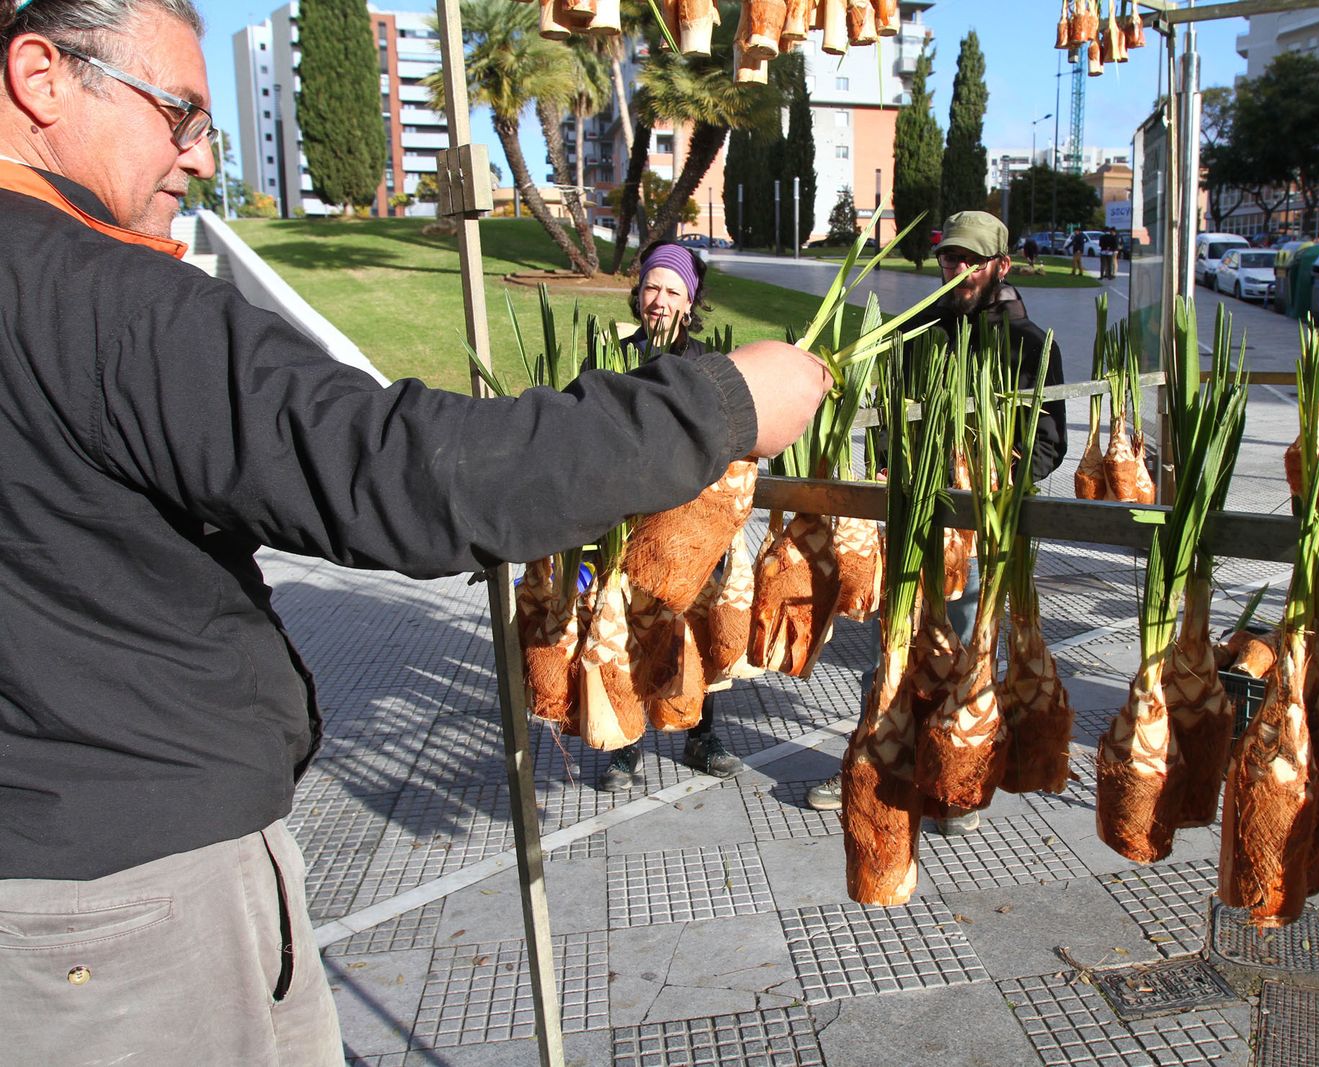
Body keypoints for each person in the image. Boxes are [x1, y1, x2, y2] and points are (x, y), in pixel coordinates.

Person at [0, 2, 830, 1062]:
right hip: (121, 903)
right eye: (180, 115)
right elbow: (391, 469)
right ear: (42, 76)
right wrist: (714, 408)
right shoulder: (95, 293)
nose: (201, 158)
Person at [805, 210, 1067, 834]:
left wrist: (988, 475)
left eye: (971, 260)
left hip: (977, 530)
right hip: (913, 515)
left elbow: (1049, 445)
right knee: (893, 646)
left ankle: (957, 776)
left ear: (1001, 265)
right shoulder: (916, 329)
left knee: (967, 650)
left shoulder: (1031, 344)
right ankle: (880, 755)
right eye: (950, 259)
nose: (958, 270)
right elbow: (887, 418)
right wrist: (894, 475)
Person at [599, 239, 743, 789]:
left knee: (694, 629)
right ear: (638, 293)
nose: (659, 299)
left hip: (691, 525)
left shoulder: (706, 365)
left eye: (672, 291)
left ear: (690, 301)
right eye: (652, 287)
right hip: (627, 520)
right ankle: (627, 741)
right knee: (626, 628)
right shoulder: (613, 357)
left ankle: (701, 735)